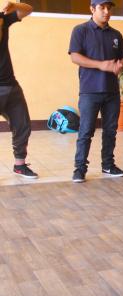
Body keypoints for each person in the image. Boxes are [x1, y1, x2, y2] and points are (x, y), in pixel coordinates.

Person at [68, 0, 123, 183]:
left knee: (110, 130)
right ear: (92, 9)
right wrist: (101, 65)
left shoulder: (116, 34)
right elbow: (75, 56)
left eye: (109, 8)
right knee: (86, 131)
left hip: (112, 91)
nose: (106, 11)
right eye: (102, 8)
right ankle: (79, 169)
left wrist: (120, 65)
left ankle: (108, 165)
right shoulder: (81, 30)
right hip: (89, 91)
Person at [0, 1, 37, 179]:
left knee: (22, 125)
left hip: (11, 86)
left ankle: (19, 165)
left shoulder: (2, 20)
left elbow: (29, 10)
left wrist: (14, 4)